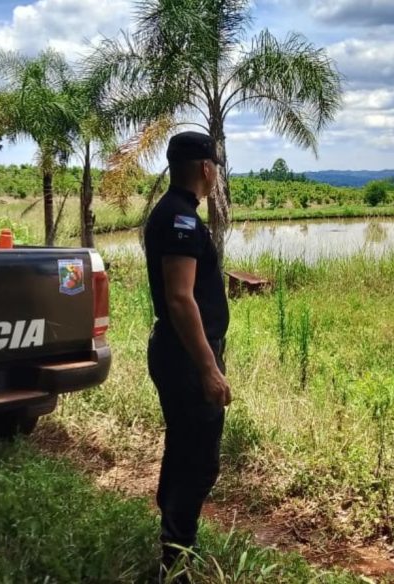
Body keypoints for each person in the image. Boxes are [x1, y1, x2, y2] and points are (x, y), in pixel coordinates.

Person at [144, 131, 232, 581]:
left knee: (183, 448)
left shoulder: (173, 212)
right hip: (186, 359)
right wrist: (209, 369)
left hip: (178, 354)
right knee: (197, 459)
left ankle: (173, 538)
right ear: (205, 169)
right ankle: (175, 558)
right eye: (215, 166)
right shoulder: (180, 218)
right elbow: (180, 299)